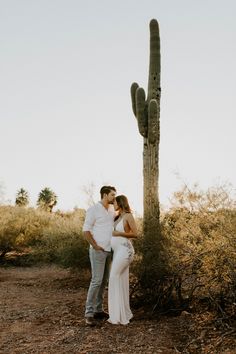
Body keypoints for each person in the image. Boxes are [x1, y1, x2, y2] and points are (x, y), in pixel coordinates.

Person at [83, 185, 116, 326]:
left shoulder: (111, 209)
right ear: (104, 195)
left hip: (109, 250)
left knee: (104, 281)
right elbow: (86, 230)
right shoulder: (93, 209)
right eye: (112, 195)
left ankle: (98, 310)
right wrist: (95, 246)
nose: (114, 197)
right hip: (98, 251)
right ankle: (88, 314)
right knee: (96, 281)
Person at [108, 195, 138, 325]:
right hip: (118, 252)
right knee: (121, 280)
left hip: (125, 251)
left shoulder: (128, 216)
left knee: (114, 277)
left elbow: (135, 234)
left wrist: (119, 234)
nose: (113, 204)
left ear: (120, 203)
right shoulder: (117, 217)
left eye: (114, 202)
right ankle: (123, 314)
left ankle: (118, 316)